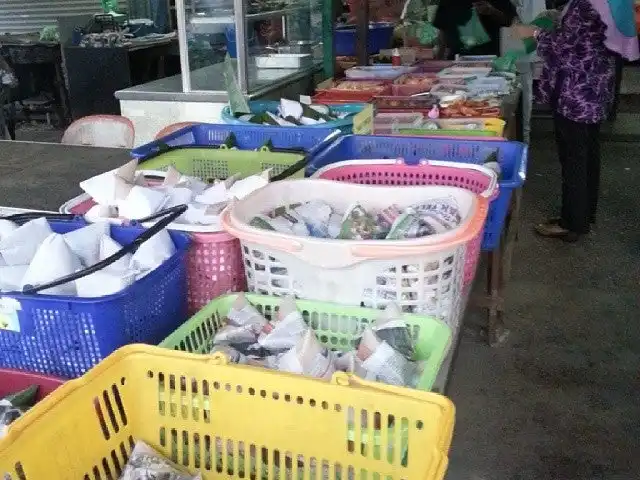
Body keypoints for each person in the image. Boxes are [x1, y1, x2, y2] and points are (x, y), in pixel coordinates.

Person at [511, 0, 639, 242]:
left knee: (574, 158)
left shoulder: (585, 5)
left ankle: (571, 224)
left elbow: (566, 48)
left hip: (576, 93)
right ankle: (584, 215)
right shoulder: (608, 3)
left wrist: (533, 32)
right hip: (595, 86)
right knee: (588, 154)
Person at [433, 0, 518, 58]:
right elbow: (442, 28)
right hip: (455, 60)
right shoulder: (447, 2)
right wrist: (439, 57)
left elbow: (508, 21)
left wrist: (492, 11)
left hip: (487, 59)